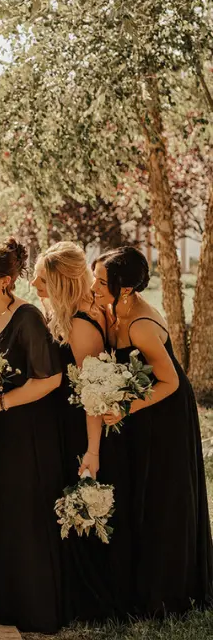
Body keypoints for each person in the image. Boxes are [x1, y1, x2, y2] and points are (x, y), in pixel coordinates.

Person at [93, 246, 213, 617]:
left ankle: (167, 591)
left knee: (162, 500)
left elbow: (171, 382)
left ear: (125, 289)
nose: (94, 287)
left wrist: (125, 407)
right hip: (141, 412)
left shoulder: (141, 326)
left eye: (101, 282)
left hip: (164, 415)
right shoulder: (114, 307)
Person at [0, 237, 64, 635]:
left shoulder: (26, 318)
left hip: (25, 431)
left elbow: (51, 378)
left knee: (22, 517)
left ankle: (31, 608)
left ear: (6, 281)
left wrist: (2, 402)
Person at [32, 241, 114, 622]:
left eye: (43, 278)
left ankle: (85, 598)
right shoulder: (67, 313)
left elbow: (93, 394)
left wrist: (92, 451)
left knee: (79, 502)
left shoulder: (82, 323)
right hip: (62, 422)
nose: (34, 283)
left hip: (81, 427)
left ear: (62, 282)